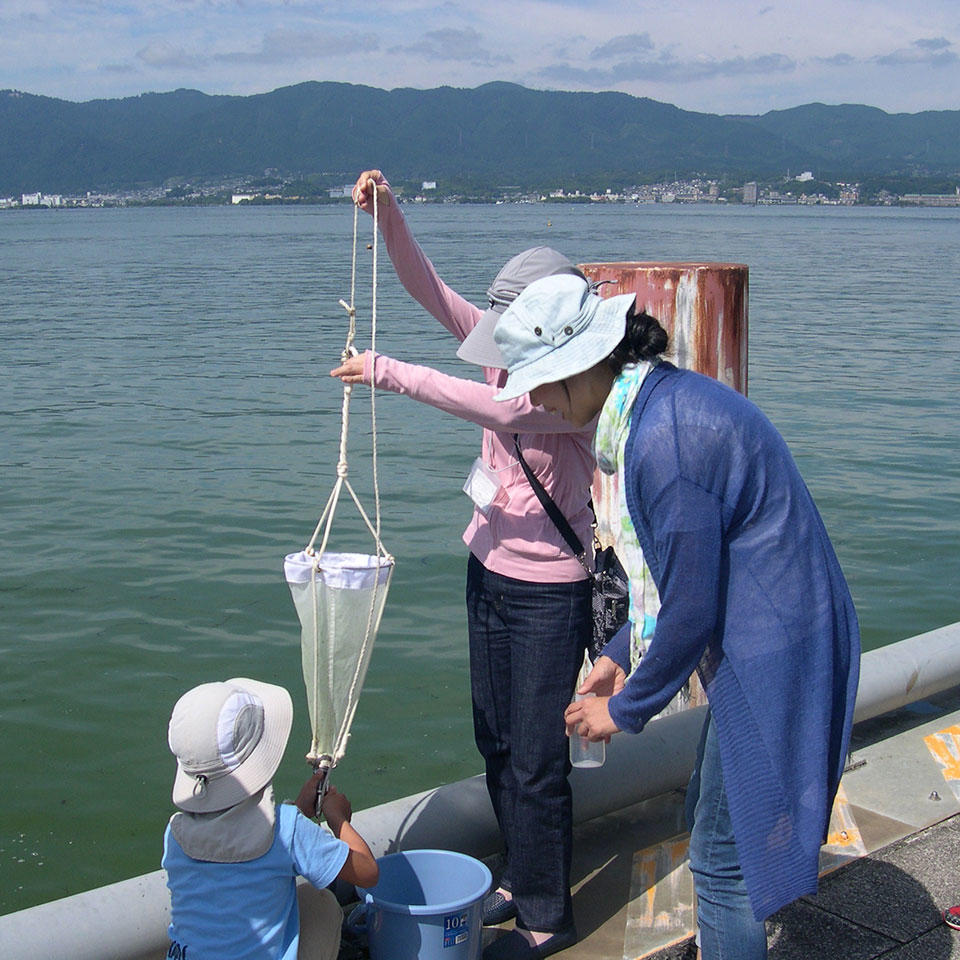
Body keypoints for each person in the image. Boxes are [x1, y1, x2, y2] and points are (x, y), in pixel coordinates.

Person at [479, 273, 860, 960]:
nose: (534, 398)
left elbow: (689, 608)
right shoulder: (656, 404)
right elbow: (674, 580)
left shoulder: (662, 444)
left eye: (542, 380)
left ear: (586, 365)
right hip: (764, 632)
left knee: (722, 860)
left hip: (774, 647)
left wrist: (622, 714)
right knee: (715, 825)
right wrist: (619, 651)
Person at [329, 170, 591, 957]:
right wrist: (389, 213)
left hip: (551, 593)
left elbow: (496, 410)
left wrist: (388, 371)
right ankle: (518, 877)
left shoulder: (570, 390)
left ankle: (548, 912)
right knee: (497, 742)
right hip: (487, 572)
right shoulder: (503, 349)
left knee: (540, 757)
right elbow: (425, 287)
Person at [162, 677, 379, 960]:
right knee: (321, 903)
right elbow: (367, 873)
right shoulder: (287, 829)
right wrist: (339, 819)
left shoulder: (176, 832)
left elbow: (239, 851)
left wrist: (299, 807)